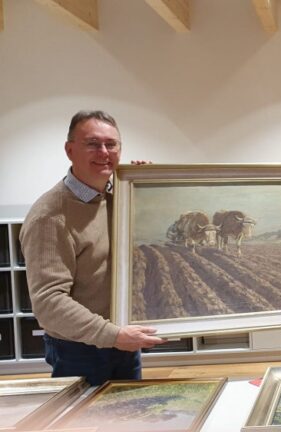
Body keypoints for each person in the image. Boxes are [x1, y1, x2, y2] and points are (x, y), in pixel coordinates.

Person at [20, 110, 165, 385]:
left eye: (111, 144)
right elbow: (49, 302)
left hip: (121, 340)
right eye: (92, 144)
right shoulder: (49, 217)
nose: (104, 152)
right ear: (69, 150)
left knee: (129, 409)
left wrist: (147, 186)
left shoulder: (117, 198)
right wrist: (113, 335)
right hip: (80, 349)